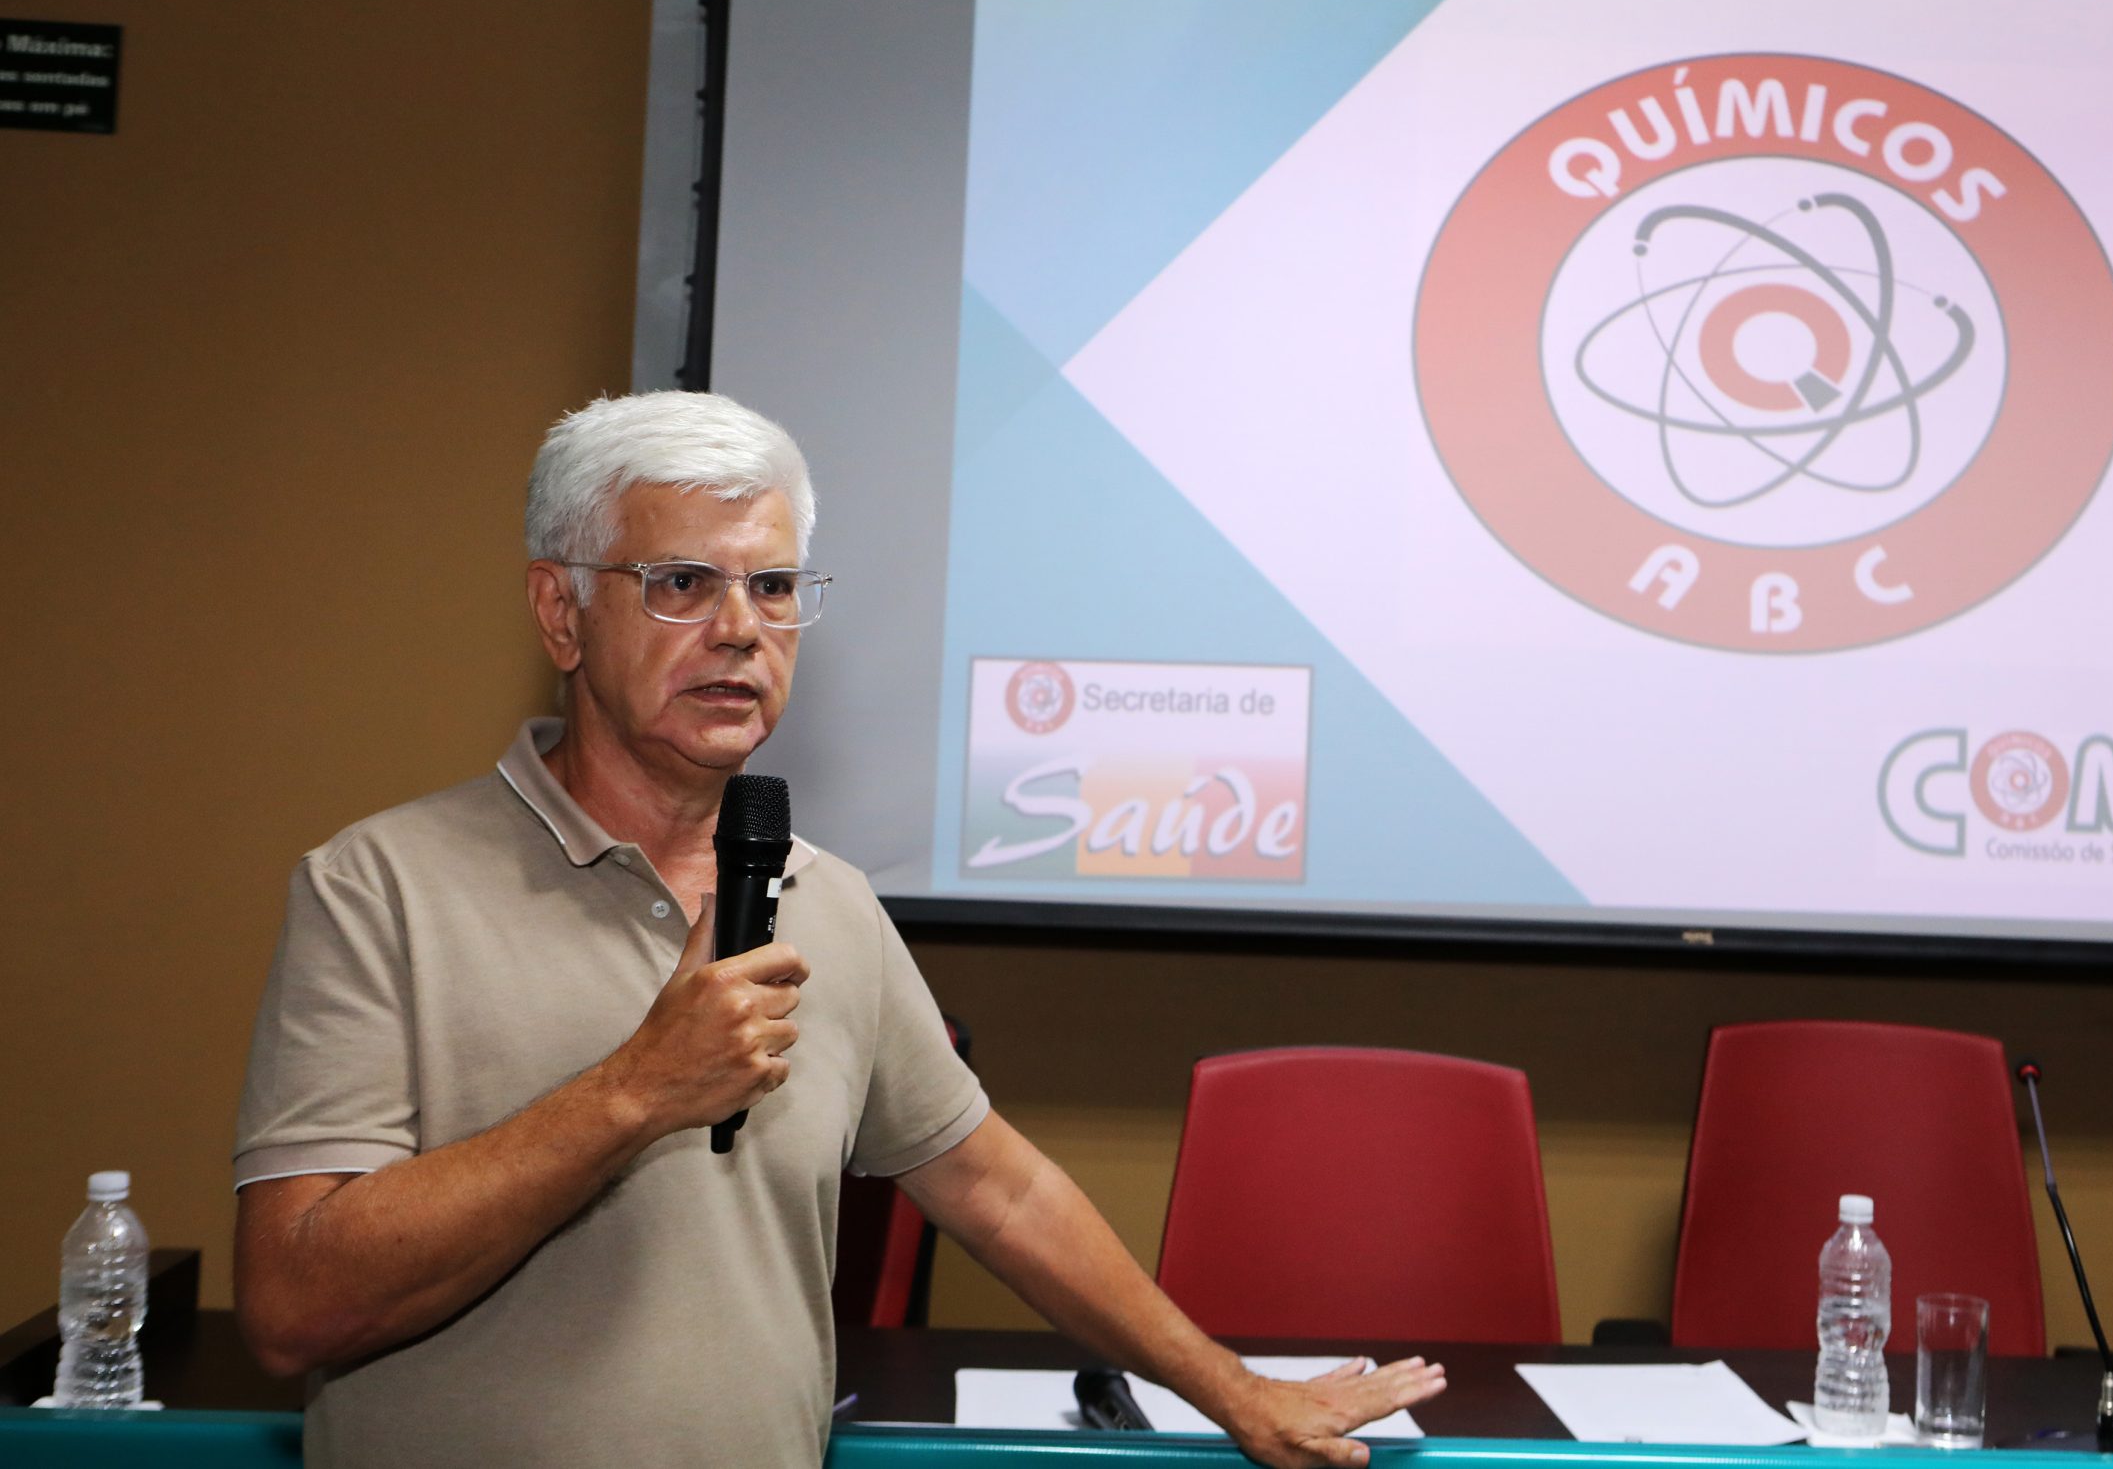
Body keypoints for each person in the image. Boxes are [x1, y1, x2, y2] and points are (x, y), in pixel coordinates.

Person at [232, 391, 1444, 1469]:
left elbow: (995, 1188)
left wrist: (1233, 1392)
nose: (739, 629)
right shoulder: (376, 887)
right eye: (680, 584)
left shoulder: (830, 901)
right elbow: (292, 1304)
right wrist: (633, 1093)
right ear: (560, 614)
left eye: (771, 587)